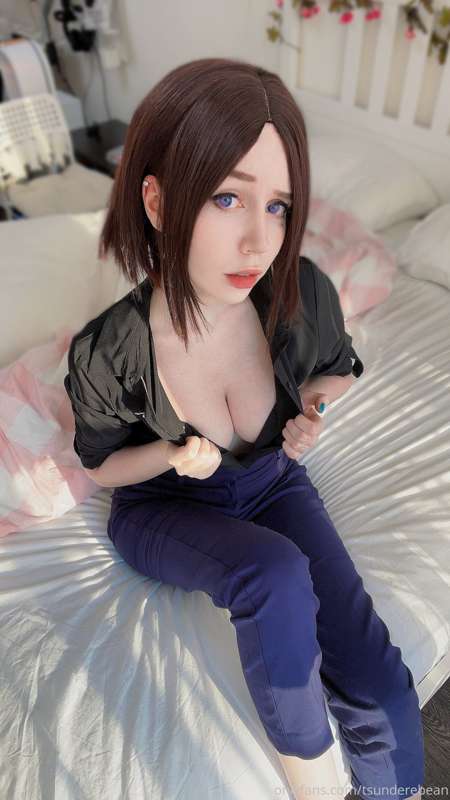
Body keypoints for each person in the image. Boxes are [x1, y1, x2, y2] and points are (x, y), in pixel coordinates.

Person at [64, 58, 424, 800]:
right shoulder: (108, 351)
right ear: (158, 201)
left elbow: (337, 372)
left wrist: (312, 413)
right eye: (228, 198)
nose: (260, 243)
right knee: (273, 574)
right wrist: (170, 454)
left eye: (279, 207)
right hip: (161, 507)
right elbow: (100, 468)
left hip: (272, 484)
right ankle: (314, 787)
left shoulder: (299, 293)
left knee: (383, 682)